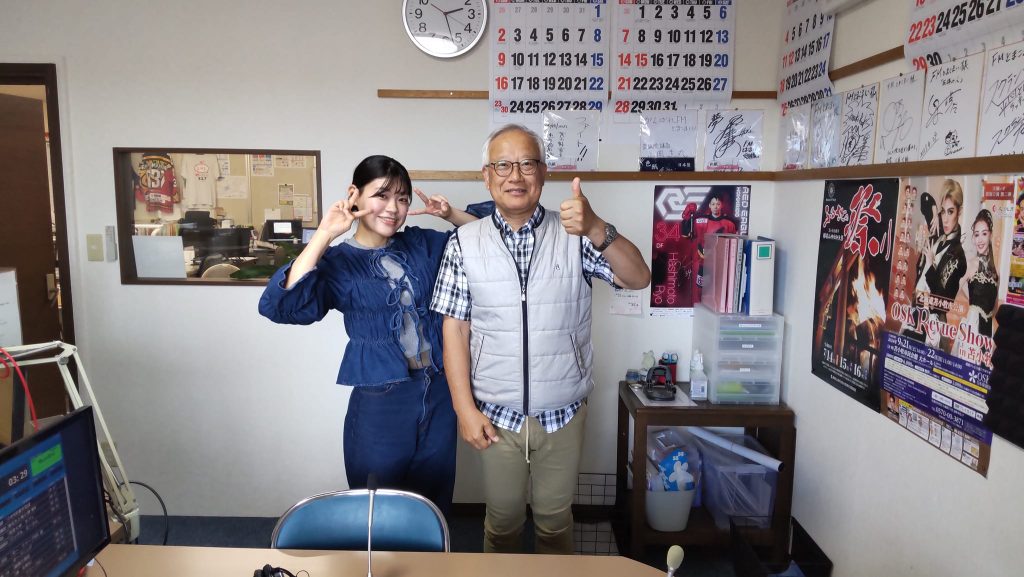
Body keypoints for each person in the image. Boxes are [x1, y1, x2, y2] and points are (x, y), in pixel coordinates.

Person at [430, 124, 650, 554]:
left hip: (562, 412)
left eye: (527, 164)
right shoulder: (464, 242)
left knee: (554, 523)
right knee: (502, 524)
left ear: (544, 174)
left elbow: (638, 277)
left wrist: (596, 226)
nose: (515, 175)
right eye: (503, 165)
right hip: (496, 416)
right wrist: (464, 409)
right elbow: (454, 328)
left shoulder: (576, 235)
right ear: (487, 177)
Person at [258, 155, 480, 515]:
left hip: (441, 391)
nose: (393, 208)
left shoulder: (422, 244)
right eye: (382, 195)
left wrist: (450, 214)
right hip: (381, 397)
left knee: (433, 504)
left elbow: (490, 238)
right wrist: (326, 233)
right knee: (377, 506)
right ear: (354, 195)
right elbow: (280, 306)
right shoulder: (338, 262)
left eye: (403, 199)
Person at [913, 179, 966, 350]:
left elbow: (944, 301)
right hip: (915, 312)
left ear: (959, 211)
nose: (946, 219)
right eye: (944, 212)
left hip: (933, 322)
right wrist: (936, 212)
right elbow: (924, 199)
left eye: (950, 212)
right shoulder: (937, 232)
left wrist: (930, 266)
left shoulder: (958, 256)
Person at [690, 191, 738, 302]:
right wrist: (688, 219)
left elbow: (734, 243)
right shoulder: (700, 221)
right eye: (713, 204)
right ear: (709, 206)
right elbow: (688, 234)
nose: (715, 206)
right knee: (701, 289)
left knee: (720, 289)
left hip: (721, 262)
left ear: (722, 205)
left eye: (718, 204)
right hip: (704, 262)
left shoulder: (729, 223)